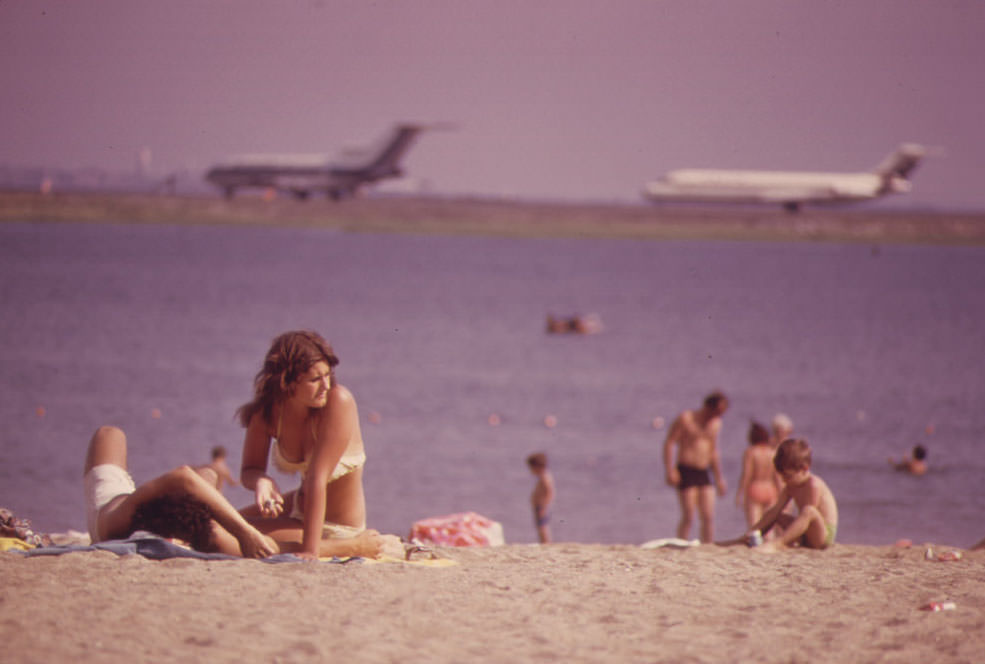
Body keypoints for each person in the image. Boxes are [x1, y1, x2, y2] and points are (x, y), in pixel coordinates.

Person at [238, 330, 383, 560]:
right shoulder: (268, 414)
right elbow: (249, 470)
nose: (326, 385)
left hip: (335, 529)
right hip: (297, 510)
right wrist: (261, 481)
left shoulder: (338, 402)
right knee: (219, 520)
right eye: (315, 380)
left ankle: (352, 546)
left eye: (328, 375)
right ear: (286, 381)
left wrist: (309, 551)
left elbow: (317, 478)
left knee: (225, 535)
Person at [83, 425, 277, 558]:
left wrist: (245, 532)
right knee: (207, 474)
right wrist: (246, 533)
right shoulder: (213, 535)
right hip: (132, 515)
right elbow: (274, 548)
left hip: (109, 513)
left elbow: (184, 476)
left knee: (109, 433)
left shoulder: (120, 517)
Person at [740, 438, 839, 552]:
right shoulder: (791, 486)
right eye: (782, 476)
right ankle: (747, 538)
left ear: (804, 469)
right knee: (775, 514)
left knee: (808, 510)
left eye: (788, 476)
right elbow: (775, 510)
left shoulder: (813, 484)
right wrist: (753, 531)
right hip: (806, 535)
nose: (784, 480)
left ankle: (778, 543)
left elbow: (808, 516)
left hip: (822, 536)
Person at [662, 391, 729, 543]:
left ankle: (708, 546)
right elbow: (670, 443)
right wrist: (670, 469)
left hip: (704, 470)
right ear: (709, 407)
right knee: (689, 515)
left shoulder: (716, 424)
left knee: (708, 515)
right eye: (718, 411)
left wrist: (719, 478)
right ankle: (681, 543)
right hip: (686, 469)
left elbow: (714, 451)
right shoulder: (686, 419)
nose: (719, 415)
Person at [735, 421, 781, 531]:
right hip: (770, 488)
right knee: (769, 527)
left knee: (754, 526)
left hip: (756, 487)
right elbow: (777, 477)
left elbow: (747, 474)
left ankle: (756, 545)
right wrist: (781, 493)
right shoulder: (773, 452)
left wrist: (739, 493)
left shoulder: (751, 452)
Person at [527, 452, 555, 544]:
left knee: (542, 526)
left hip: (542, 505)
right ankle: (543, 542)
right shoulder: (543, 477)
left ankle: (546, 542)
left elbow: (549, 491)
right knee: (540, 525)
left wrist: (544, 504)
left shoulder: (545, 477)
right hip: (539, 505)